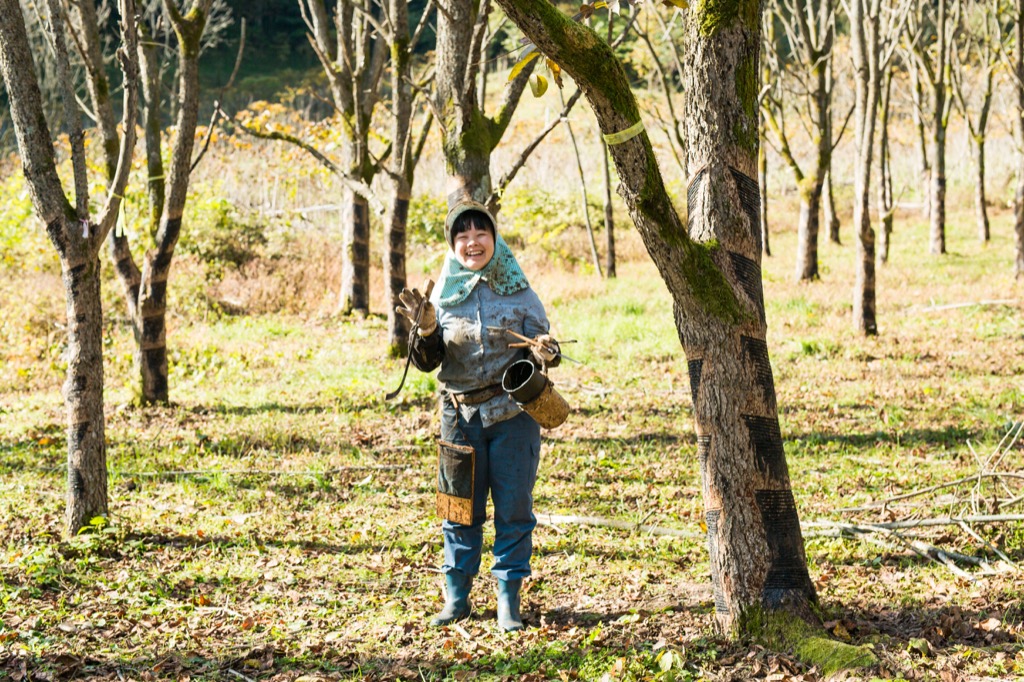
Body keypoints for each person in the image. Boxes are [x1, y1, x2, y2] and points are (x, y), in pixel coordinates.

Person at [396, 199, 560, 632]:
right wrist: (427, 329)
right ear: (453, 245)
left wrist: (546, 349)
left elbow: (548, 344)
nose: (472, 242)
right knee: (459, 507)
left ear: (494, 237)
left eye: (480, 233)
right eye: (462, 235)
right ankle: (457, 597)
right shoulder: (440, 297)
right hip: (459, 416)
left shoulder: (520, 289)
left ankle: (509, 600)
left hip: (513, 415)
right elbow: (427, 361)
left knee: (514, 507)